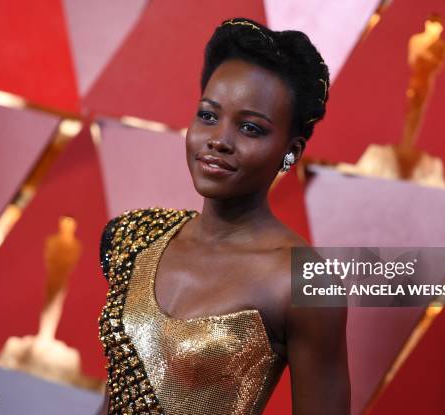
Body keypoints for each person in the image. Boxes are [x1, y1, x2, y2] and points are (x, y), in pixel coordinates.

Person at [98, 17, 350, 415]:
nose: (219, 140)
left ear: (292, 151)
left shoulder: (301, 280)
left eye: (250, 128)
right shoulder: (137, 236)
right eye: (208, 116)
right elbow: (118, 390)